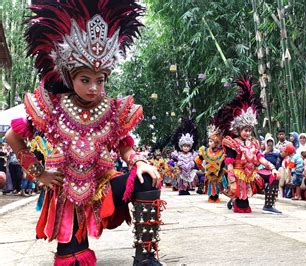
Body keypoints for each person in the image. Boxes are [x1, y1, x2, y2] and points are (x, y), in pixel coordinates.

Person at [5, 1, 165, 264]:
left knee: (146, 179)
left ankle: (145, 257)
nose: (94, 88)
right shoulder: (52, 107)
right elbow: (12, 137)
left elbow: (123, 144)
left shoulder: (113, 110)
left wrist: (138, 162)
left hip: (102, 185)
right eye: (85, 80)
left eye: (100, 80)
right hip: (67, 193)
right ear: (69, 76)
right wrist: (40, 173)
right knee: (74, 260)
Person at [214, 76, 280, 214]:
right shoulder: (232, 143)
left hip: (252, 173)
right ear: (238, 130)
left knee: (274, 176)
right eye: (245, 130)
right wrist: (231, 179)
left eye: (249, 130)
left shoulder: (254, 142)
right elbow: (229, 163)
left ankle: (268, 206)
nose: (247, 133)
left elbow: (260, 157)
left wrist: (272, 167)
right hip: (238, 176)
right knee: (243, 209)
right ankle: (235, 198)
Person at [195, 124, 226, 203]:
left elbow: (225, 162)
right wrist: (202, 169)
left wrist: (223, 170)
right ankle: (211, 196)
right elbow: (198, 161)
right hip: (209, 173)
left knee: (217, 186)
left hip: (218, 174)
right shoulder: (205, 151)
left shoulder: (222, 152)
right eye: (209, 141)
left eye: (211, 141)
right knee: (210, 185)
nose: (209, 143)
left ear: (217, 142)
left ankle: (216, 196)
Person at [171, 118, 199, 196]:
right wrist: (173, 165)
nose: (186, 148)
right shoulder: (177, 154)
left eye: (187, 146)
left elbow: (197, 162)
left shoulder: (193, 154)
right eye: (184, 146)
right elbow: (172, 161)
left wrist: (195, 165)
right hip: (181, 172)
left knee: (188, 180)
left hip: (189, 171)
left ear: (190, 147)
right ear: (181, 146)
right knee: (181, 181)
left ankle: (187, 189)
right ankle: (181, 189)